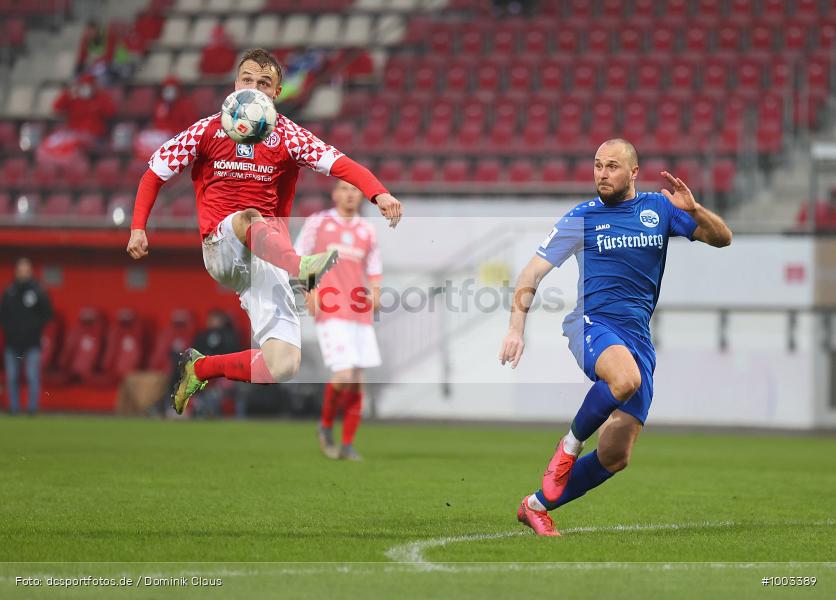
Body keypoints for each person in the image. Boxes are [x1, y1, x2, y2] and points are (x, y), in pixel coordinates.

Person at [126, 48, 402, 416]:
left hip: (265, 256)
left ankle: (200, 368)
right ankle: (300, 267)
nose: (254, 88)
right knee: (249, 217)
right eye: (247, 80)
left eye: (264, 83)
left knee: (283, 364)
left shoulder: (289, 136)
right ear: (235, 85)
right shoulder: (207, 129)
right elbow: (155, 172)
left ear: (277, 92)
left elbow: (340, 164)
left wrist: (378, 192)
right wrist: (137, 228)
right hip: (222, 245)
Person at [499, 139, 732, 536]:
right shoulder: (583, 217)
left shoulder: (659, 209)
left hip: (637, 338)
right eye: (597, 166)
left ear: (634, 173)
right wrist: (516, 328)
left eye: (611, 167)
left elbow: (722, 238)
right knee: (624, 379)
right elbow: (531, 274)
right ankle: (568, 448)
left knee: (614, 455)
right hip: (591, 323)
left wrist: (693, 210)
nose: (602, 174)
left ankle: (535, 505)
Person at [295, 181, 382, 461]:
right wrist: (310, 291)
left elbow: (374, 269)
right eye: (344, 189)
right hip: (331, 310)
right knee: (343, 375)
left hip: (360, 313)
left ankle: (346, 444)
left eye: (355, 190)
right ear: (334, 194)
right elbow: (300, 258)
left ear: (360, 196)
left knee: (357, 381)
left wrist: (376, 293)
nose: (349, 194)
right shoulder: (317, 223)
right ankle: (326, 425)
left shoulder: (367, 230)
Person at [1, 258, 53, 415]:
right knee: (11, 377)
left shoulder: (38, 291)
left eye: (26, 270)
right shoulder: (9, 291)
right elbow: (3, 315)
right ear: (16, 272)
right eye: (21, 270)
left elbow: (48, 313)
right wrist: (10, 330)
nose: (23, 273)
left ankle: (32, 409)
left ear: (30, 272)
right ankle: (14, 408)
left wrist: (34, 328)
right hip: (12, 343)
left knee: (32, 376)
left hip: (32, 343)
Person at [190, 310, 241, 418]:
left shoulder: (230, 336)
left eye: (216, 319)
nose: (213, 322)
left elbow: (234, 355)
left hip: (223, 373)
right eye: (211, 319)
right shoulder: (202, 336)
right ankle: (195, 407)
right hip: (204, 372)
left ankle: (214, 410)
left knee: (220, 389)